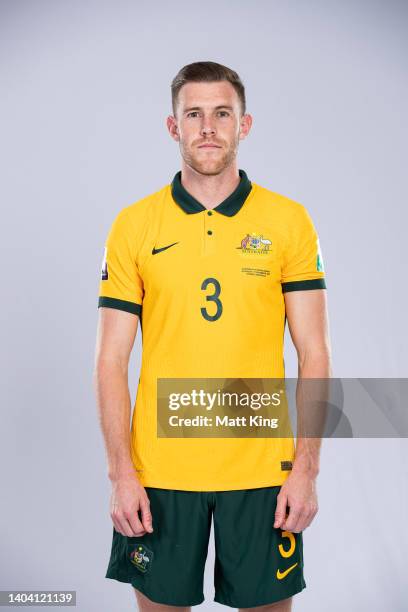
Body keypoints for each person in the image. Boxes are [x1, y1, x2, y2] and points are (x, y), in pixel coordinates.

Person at [94, 60, 332, 611]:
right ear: (173, 126)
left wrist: (307, 469)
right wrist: (121, 474)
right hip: (160, 472)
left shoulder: (288, 221)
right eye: (193, 114)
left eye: (222, 113)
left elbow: (315, 353)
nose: (208, 127)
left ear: (243, 125)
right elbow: (110, 359)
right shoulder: (134, 225)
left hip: (261, 472)